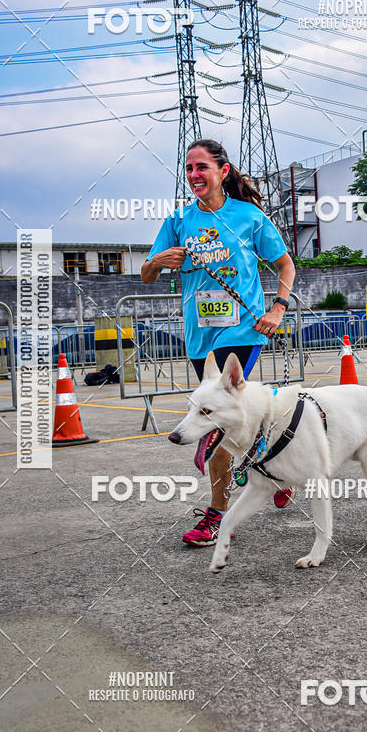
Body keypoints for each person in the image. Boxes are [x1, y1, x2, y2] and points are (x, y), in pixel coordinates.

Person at [141, 138, 296, 546]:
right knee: (235, 418)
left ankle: (215, 517)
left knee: (217, 421)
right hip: (199, 336)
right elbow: (146, 276)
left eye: (201, 167)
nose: (194, 175)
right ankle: (276, 474)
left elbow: (285, 264)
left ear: (222, 171)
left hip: (243, 329)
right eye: (189, 168)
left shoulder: (248, 216)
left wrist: (277, 309)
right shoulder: (178, 220)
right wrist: (157, 262)